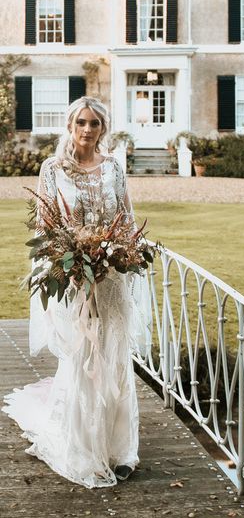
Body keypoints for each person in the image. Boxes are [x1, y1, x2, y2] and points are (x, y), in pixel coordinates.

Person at [2, 96, 152, 488]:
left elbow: (126, 217)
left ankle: (120, 449)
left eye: (95, 123)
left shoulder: (114, 168)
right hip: (73, 278)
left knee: (114, 354)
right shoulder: (52, 169)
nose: (87, 130)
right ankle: (84, 448)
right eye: (81, 122)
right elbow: (44, 224)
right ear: (70, 125)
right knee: (83, 354)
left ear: (104, 128)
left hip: (111, 278)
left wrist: (121, 253)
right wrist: (65, 261)